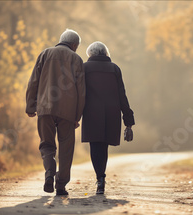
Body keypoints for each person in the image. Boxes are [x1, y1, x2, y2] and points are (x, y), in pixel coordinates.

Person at [25, 29, 85, 196]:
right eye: (77, 46)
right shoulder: (76, 59)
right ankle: (61, 185)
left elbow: (33, 82)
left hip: (45, 109)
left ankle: (49, 174)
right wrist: (77, 116)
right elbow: (82, 91)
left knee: (47, 145)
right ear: (74, 45)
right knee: (66, 148)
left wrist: (31, 106)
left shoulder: (45, 54)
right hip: (67, 112)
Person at [82, 41, 135, 194]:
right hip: (112, 113)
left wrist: (75, 116)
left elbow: (80, 93)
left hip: (91, 112)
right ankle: (101, 177)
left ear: (90, 54)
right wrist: (128, 120)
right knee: (103, 146)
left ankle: (100, 177)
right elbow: (121, 95)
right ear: (105, 53)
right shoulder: (114, 69)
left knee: (95, 145)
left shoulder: (84, 68)